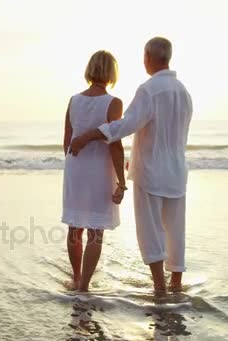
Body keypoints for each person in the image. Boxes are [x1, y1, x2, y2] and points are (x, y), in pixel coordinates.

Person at [69, 37, 193, 295]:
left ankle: (160, 286)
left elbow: (126, 125)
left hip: (150, 172)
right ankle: (176, 284)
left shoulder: (149, 90)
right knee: (176, 230)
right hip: (177, 172)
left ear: (148, 58)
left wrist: (89, 135)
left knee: (151, 231)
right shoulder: (184, 92)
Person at [62, 50, 127, 292]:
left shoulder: (73, 100)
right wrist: (121, 180)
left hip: (76, 167)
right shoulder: (113, 103)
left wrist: (75, 167)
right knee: (95, 232)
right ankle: (85, 286)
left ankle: (76, 278)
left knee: (74, 227)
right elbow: (115, 142)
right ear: (112, 73)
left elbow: (67, 141)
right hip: (99, 169)